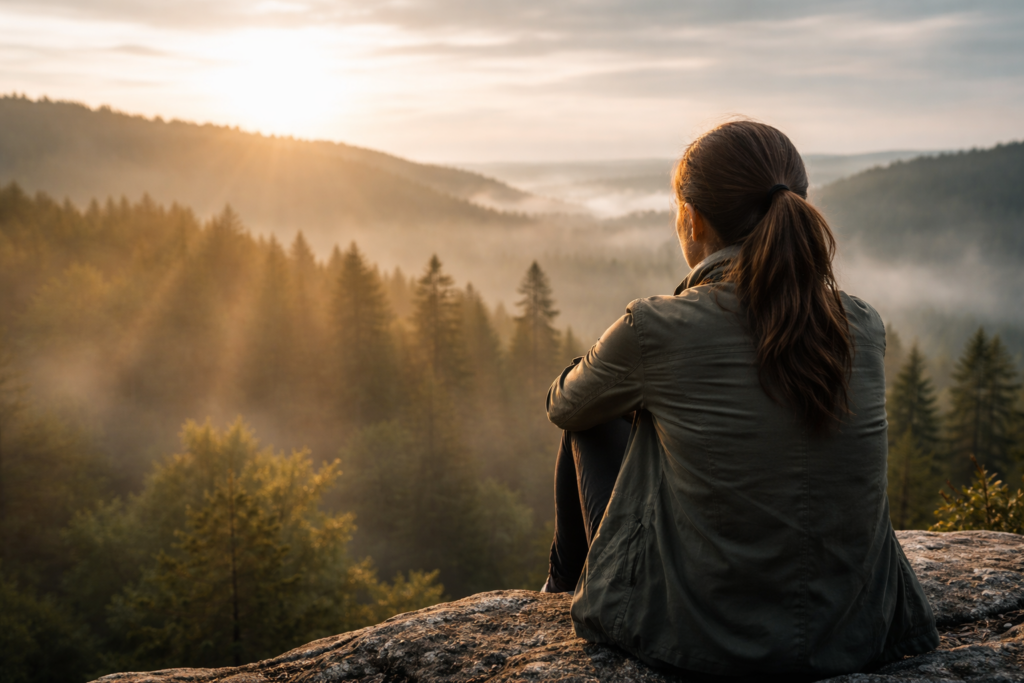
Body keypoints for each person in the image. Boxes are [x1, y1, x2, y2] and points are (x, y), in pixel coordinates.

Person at [541, 120, 939, 679]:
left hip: (704, 639)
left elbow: (565, 404)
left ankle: (560, 588)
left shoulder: (657, 326)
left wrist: (641, 386)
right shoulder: (862, 324)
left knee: (592, 420)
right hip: (858, 630)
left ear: (692, 217)